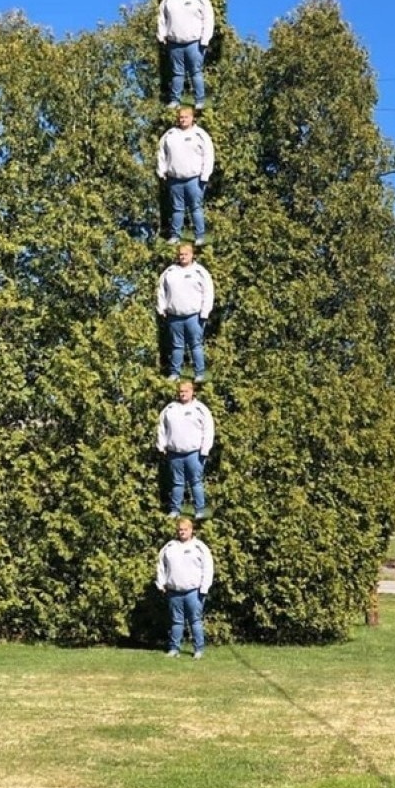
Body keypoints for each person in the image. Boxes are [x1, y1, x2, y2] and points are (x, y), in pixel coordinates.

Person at [156, 515, 214, 659]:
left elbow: (208, 568)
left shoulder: (199, 547)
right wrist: (160, 583)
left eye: (185, 530)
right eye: (179, 530)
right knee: (176, 622)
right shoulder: (169, 546)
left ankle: (198, 650)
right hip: (174, 592)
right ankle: (174, 649)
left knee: (195, 621)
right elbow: (160, 566)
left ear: (191, 530)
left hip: (194, 592)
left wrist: (204, 588)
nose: (182, 532)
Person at [156, 379, 215, 519]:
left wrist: (205, 449)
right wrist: (161, 445)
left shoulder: (200, 409)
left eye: (186, 391)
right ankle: (175, 510)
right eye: (180, 391)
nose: (182, 394)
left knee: (196, 482)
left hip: (195, 454)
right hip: (174, 454)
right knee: (177, 483)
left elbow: (208, 429)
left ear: (192, 392)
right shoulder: (170, 409)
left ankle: (200, 511)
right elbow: (161, 428)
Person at [156, 241, 214, 383]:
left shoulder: (200, 272)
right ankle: (175, 374)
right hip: (174, 317)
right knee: (177, 346)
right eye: (180, 254)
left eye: (185, 254)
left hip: (194, 317)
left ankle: (199, 374)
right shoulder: (170, 272)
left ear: (192, 255)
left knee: (196, 346)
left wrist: (205, 312)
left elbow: (208, 292)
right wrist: (161, 307)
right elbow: (161, 290)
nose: (182, 257)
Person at [157, 106, 214, 247]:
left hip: (195, 180)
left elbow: (208, 155)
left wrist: (205, 175)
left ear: (192, 118)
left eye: (186, 117)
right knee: (177, 209)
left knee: (196, 208)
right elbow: (161, 153)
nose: (183, 120)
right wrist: (161, 171)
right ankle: (175, 236)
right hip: (174, 179)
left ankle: (199, 237)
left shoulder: (200, 134)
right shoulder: (170, 134)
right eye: (181, 117)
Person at [157, 0, 215, 110]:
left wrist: (205, 40)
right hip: (174, 43)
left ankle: (199, 102)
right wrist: (161, 35)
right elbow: (162, 18)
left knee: (195, 73)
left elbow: (208, 19)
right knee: (177, 74)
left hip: (195, 43)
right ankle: (175, 101)